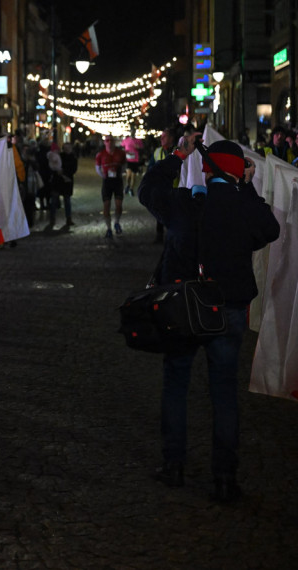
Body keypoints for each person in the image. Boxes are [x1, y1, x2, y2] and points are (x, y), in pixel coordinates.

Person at [139, 135, 279, 503]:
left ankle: (173, 465)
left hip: (182, 308)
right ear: (237, 173)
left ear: (204, 170)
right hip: (227, 309)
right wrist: (247, 187)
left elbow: (148, 188)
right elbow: (270, 229)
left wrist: (176, 156)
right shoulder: (243, 205)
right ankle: (224, 479)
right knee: (224, 392)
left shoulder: (183, 203)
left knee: (176, 384)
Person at [148, 127, 177, 243]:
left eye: (164, 137)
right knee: (160, 212)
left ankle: (172, 236)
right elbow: (150, 168)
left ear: (171, 138)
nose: (161, 139)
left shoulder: (178, 151)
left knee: (174, 213)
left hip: (175, 188)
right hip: (160, 187)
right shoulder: (157, 152)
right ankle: (159, 235)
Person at [95, 135, 126, 238]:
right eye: (107, 140)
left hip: (117, 181)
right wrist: (102, 175)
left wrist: (120, 173)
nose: (109, 142)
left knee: (119, 205)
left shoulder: (121, 153)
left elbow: (124, 165)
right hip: (107, 182)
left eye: (111, 140)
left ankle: (117, 222)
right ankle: (108, 228)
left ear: (114, 142)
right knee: (106, 205)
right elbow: (97, 167)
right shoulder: (101, 154)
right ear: (105, 142)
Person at [57, 141, 78, 227]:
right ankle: (52, 218)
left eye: (68, 148)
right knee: (55, 199)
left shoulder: (73, 157)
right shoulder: (60, 156)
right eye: (65, 148)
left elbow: (74, 169)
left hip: (68, 180)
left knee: (67, 199)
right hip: (59, 180)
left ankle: (68, 218)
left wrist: (65, 172)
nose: (67, 150)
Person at [122, 129, 144, 196]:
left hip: (135, 160)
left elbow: (142, 148)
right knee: (128, 175)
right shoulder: (126, 140)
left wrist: (138, 148)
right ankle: (127, 185)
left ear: (135, 132)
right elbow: (122, 147)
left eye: (133, 132)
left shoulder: (138, 140)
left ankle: (131, 189)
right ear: (130, 132)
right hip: (128, 160)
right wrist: (125, 151)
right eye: (131, 132)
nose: (132, 133)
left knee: (133, 176)